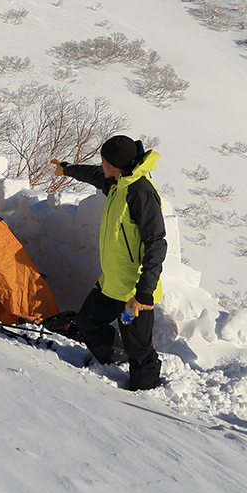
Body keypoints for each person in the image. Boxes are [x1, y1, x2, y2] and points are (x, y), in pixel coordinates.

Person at [52, 135, 166, 391]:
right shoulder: (117, 182)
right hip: (110, 283)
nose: (100, 164)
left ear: (114, 164)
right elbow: (94, 175)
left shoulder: (140, 193)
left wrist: (144, 293)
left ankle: (146, 395)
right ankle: (116, 358)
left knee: (140, 351)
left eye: (103, 160)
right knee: (87, 324)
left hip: (133, 291)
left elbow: (156, 243)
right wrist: (67, 169)